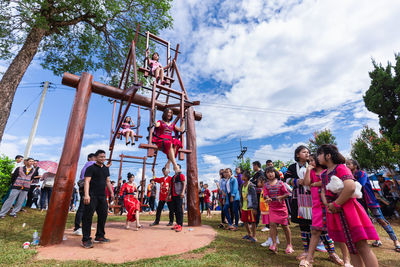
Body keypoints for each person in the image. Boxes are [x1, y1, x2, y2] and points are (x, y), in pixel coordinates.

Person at [318, 144, 379, 267]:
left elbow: (350, 187)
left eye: (319, 154)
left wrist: (336, 203)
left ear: (328, 155)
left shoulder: (341, 168)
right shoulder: (324, 174)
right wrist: (327, 204)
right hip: (336, 211)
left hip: (349, 211)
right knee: (351, 248)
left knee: (361, 246)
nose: (317, 157)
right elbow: (323, 191)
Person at [346, 159, 400, 252]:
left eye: (349, 164)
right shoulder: (350, 176)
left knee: (381, 220)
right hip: (360, 202)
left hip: (370, 200)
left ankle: (396, 241)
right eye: (346, 164)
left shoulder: (362, 173)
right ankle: (377, 240)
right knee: (368, 221)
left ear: (355, 165)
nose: (347, 166)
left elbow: (360, 184)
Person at [300, 154, 345, 267]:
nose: (310, 163)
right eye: (308, 161)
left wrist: (314, 183)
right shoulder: (310, 172)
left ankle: (341, 257)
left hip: (329, 203)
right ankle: (309, 259)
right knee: (315, 230)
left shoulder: (327, 171)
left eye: (312, 160)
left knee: (336, 231)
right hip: (316, 205)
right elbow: (306, 183)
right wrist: (308, 171)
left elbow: (328, 181)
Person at [81, 150, 115, 248]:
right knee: (87, 217)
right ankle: (86, 239)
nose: (103, 158)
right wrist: (86, 195)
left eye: (104, 157)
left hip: (102, 196)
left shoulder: (105, 168)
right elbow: (87, 181)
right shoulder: (90, 168)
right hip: (92, 195)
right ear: (96, 158)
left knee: (103, 215)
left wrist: (112, 193)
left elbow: (108, 181)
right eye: (101, 157)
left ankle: (100, 236)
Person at [284, 145, 313, 260]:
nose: (307, 154)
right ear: (297, 155)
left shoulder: (313, 165)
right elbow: (286, 180)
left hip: (312, 197)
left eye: (308, 152)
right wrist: (296, 181)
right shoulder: (292, 167)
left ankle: (320, 246)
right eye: (304, 152)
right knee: (303, 223)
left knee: (315, 223)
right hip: (299, 199)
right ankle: (306, 249)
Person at [263, 166, 293, 254]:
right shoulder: (266, 184)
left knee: (285, 226)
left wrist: (281, 197)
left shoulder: (280, 183)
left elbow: (287, 193)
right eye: (268, 172)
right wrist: (267, 198)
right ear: (266, 174)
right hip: (272, 207)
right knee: (272, 225)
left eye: (271, 172)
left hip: (282, 208)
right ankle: (274, 244)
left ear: (275, 173)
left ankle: (289, 244)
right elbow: (265, 194)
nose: (270, 174)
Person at [152, 108, 184, 173]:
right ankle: (175, 165)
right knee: (170, 143)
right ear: (165, 114)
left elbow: (181, 130)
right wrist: (153, 115)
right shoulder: (160, 122)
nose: (169, 114)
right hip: (161, 139)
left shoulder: (173, 124)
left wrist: (184, 121)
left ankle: (168, 163)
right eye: (168, 113)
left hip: (169, 139)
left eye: (171, 113)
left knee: (177, 142)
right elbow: (156, 124)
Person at [73, 153, 96, 236]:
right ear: (89, 158)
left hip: (85, 184)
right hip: (85, 185)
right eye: (95, 157)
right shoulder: (91, 163)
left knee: (87, 207)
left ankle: (85, 226)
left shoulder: (86, 166)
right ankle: (77, 227)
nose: (96, 159)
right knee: (83, 206)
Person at [241, 170, 258, 242]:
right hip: (244, 206)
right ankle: (249, 234)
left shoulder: (251, 186)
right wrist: (241, 206)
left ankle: (254, 236)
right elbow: (241, 196)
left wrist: (254, 208)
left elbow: (254, 197)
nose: (242, 176)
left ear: (246, 177)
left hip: (250, 207)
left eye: (243, 175)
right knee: (244, 220)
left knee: (253, 221)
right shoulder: (242, 185)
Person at [169, 164, 186, 232]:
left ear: (179, 169)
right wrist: (169, 194)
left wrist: (183, 192)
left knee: (179, 210)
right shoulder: (173, 177)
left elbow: (184, 184)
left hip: (179, 194)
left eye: (177, 167)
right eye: (174, 167)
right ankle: (177, 223)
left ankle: (180, 225)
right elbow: (171, 187)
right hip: (173, 195)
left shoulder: (181, 175)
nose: (175, 168)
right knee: (175, 210)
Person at [251, 161, 267, 230]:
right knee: (257, 208)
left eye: (253, 166)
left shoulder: (261, 173)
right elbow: (252, 181)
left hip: (260, 193)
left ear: (257, 165)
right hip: (256, 193)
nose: (253, 167)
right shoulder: (256, 174)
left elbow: (257, 183)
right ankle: (255, 223)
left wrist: (254, 182)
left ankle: (261, 224)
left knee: (260, 208)